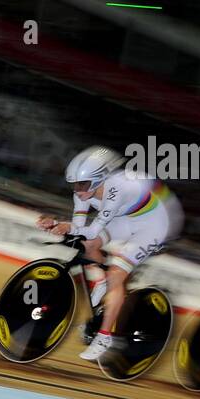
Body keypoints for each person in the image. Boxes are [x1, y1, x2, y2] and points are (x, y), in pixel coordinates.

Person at [37, 145, 183, 361]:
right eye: (74, 185)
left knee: (116, 274)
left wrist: (60, 224)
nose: (77, 190)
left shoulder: (116, 190)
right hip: (127, 219)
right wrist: (60, 225)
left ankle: (104, 337)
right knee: (87, 246)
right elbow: (80, 228)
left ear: (99, 179)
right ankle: (102, 286)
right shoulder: (83, 190)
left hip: (153, 225)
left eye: (82, 184)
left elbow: (93, 228)